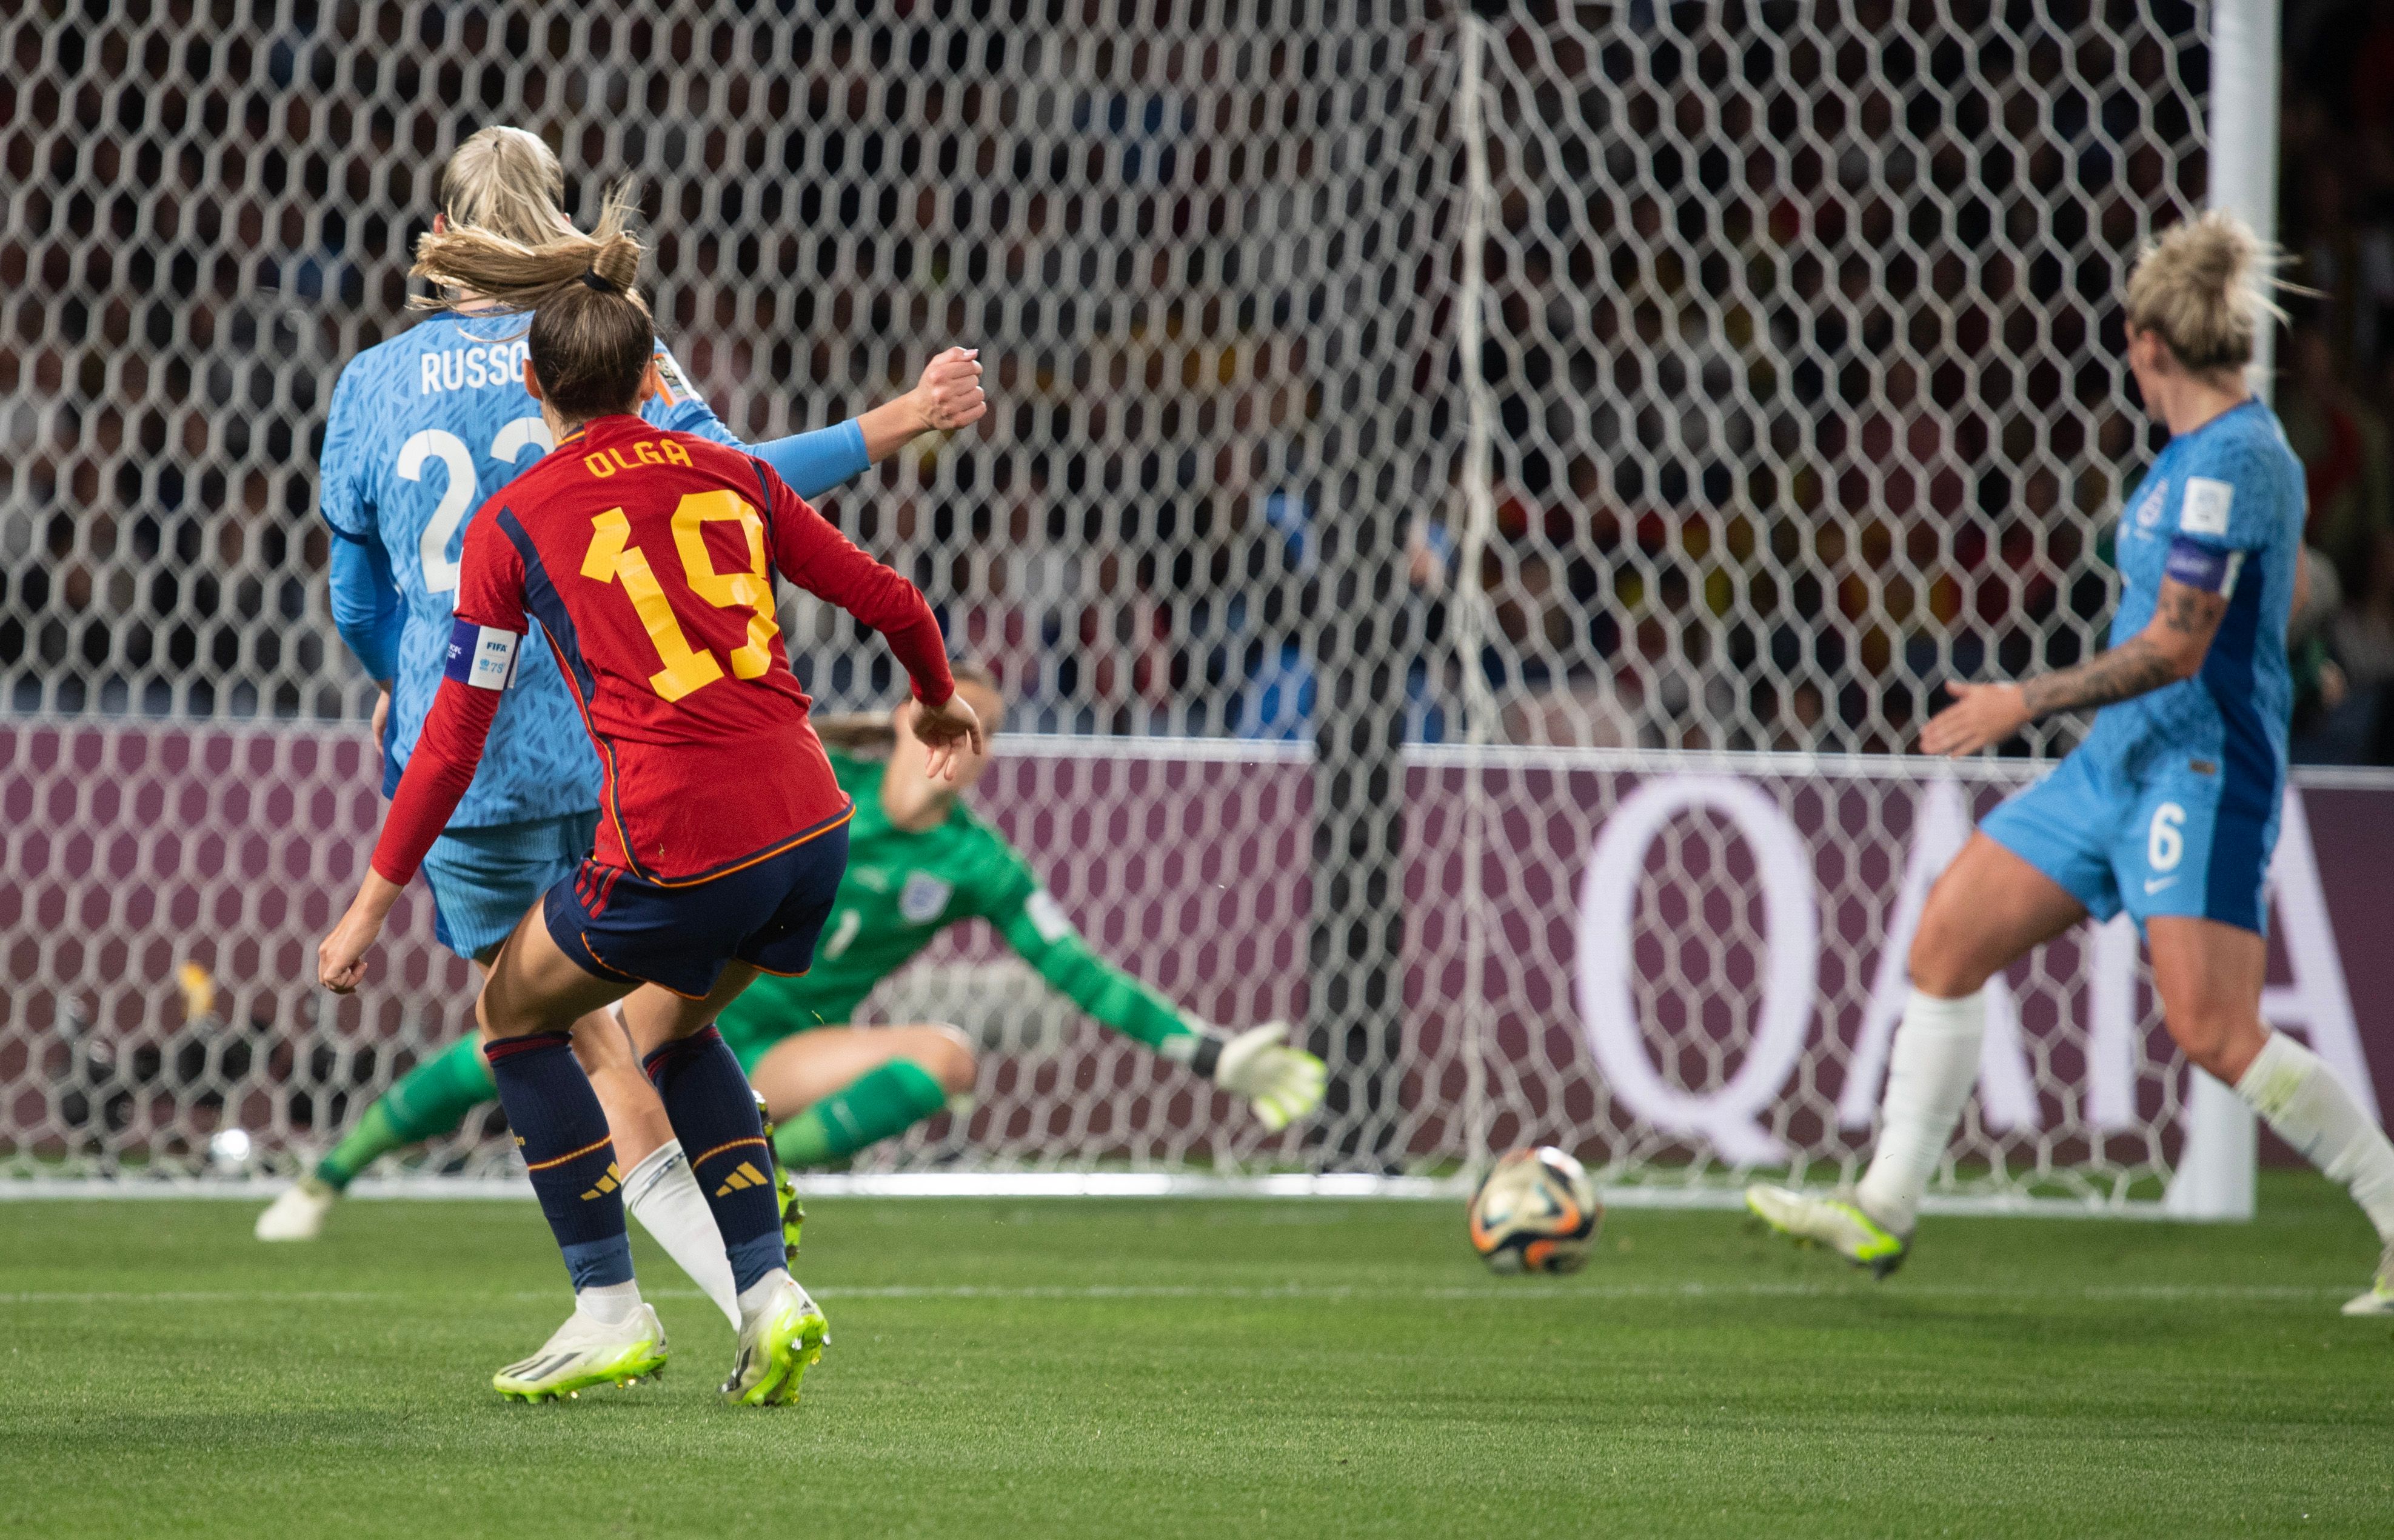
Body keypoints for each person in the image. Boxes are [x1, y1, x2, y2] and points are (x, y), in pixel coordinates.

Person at [258, 125, 986, 1337]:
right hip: (622, 744)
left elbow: (356, 602)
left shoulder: (376, 382)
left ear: (439, 234)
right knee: (643, 1024)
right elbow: (746, 479)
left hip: (477, 758)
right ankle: (747, 1272)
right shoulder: (614, 332)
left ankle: (643, 1299)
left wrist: (400, 679)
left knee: (540, 1024)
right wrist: (894, 418)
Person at [1747, 212, 2394, 1314]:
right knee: (1946, 937)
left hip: (2196, 771)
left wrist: (2020, 700)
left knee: (2212, 1029)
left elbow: (2176, 645)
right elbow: (2260, 597)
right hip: (2113, 765)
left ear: (2146, 343)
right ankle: (1884, 1205)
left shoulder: (2233, 457)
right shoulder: (2195, 457)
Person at [714, 664, 1327, 1162]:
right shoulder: (816, 775)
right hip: (693, 1011)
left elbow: (1081, 973)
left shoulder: (978, 864)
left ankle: (760, 1175)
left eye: (986, 728)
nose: (967, 735)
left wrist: (1210, 1052)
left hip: (779, 1053)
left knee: (944, 1060)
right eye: (952, 713)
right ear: (904, 717)